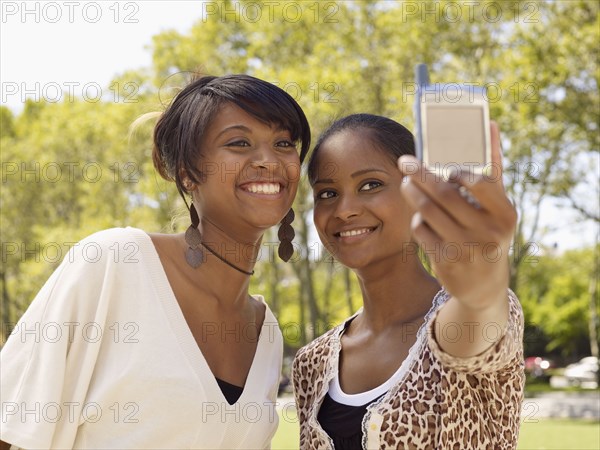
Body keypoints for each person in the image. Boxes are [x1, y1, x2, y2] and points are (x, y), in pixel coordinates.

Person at [0, 74, 310, 449]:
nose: (268, 160)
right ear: (186, 173)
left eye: (283, 143)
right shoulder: (114, 263)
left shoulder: (267, 332)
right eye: (239, 142)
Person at [292, 114, 524, 449]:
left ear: (417, 192)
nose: (344, 210)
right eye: (327, 193)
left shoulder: (465, 319)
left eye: (370, 184)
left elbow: (477, 317)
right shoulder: (311, 364)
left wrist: (481, 290)